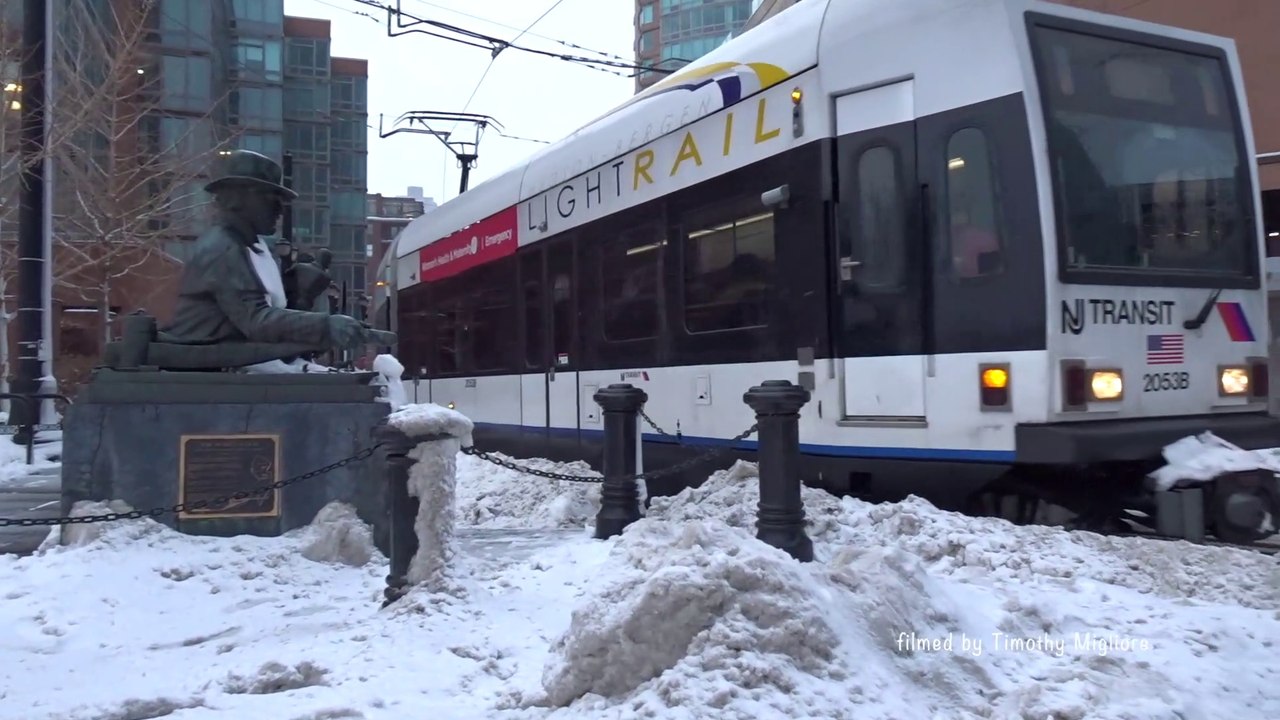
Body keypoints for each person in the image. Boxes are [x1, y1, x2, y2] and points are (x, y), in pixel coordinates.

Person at [160, 150, 370, 371]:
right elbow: (256, 321)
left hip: (226, 370)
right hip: (203, 374)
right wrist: (325, 325)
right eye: (271, 198)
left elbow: (260, 323)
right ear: (238, 197)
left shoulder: (252, 248)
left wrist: (300, 294)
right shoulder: (222, 248)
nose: (280, 209)